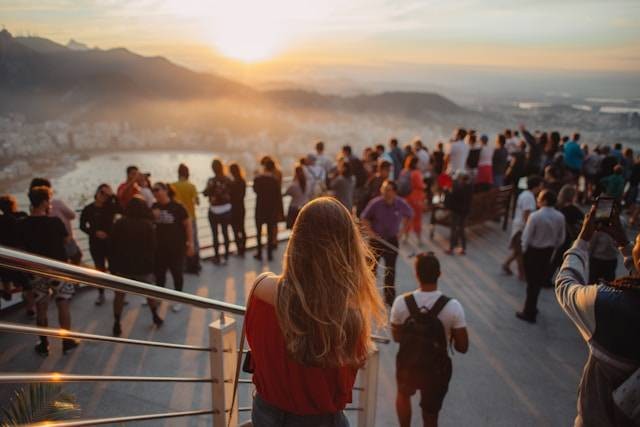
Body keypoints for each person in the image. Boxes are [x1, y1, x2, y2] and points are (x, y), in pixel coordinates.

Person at [246, 197, 386, 426]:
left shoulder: (260, 289)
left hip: (265, 414)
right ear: (347, 247)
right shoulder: (347, 316)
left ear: (296, 238)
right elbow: (344, 386)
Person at [555, 206, 640, 426]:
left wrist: (583, 239)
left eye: (638, 239)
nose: (635, 240)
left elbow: (565, 285)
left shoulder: (609, 305)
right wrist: (624, 244)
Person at [391, 252, 469, 427]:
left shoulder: (401, 302)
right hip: (436, 369)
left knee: (403, 394)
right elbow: (463, 347)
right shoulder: (453, 307)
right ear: (439, 274)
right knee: (430, 413)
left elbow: (397, 337)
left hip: (408, 363)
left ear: (416, 274)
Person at [19, 186, 78, 355]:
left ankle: (44, 344)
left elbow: (22, 248)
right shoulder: (54, 222)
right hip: (58, 269)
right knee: (63, 304)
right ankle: (66, 341)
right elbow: (67, 240)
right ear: (45, 202)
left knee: (41, 307)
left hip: (36, 270)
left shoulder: (23, 224)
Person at [110, 197, 162, 337]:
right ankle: (155, 316)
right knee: (149, 292)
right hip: (142, 266)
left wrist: (113, 266)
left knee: (119, 295)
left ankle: (117, 323)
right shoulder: (147, 225)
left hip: (123, 266)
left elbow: (112, 245)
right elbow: (153, 247)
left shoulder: (119, 223)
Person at [361, 180, 413, 306]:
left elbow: (410, 215)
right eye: (383, 189)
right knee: (371, 270)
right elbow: (364, 218)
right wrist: (371, 232)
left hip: (391, 240)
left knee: (390, 270)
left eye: (388, 189)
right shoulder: (375, 203)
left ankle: (389, 299)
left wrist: (401, 232)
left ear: (394, 192)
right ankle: (369, 296)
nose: (384, 192)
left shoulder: (400, 204)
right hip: (376, 241)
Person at [517, 189, 565, 323]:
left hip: (533, 251)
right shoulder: (560, 216)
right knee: (537, 282)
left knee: (531, 283)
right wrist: (554, 247)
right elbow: (561, 238)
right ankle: (532, 307)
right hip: (548, 252)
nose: (537, 200)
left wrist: (524, 250)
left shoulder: (535, 216)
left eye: (539, 198)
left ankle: (529, 311)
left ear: (544, 200)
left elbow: (526, 237)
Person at [151, 182, 194, 313]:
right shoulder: (154, 206)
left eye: (157, 190)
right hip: (159, 248)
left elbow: (188, 225)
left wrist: (190, 244)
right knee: (159, 275)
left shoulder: (178, 207)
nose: (155, 193)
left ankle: (179, 299)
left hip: (176, 248)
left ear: (166, 190)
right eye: (153, 191)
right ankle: (159, 297)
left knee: (177, 273)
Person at [79, 183, 120, 306]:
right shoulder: (88, 209)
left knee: (114, 268)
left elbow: (122, 209)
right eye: (102, 193)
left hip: (111, 243)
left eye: (107, 194)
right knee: (99, 269)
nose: (104, 196)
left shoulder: (111, 207)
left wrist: (113, 196)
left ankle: (119, 294)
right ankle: (101, 294)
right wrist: (94, 232)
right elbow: (82, 226)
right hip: (95, 244)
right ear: (96, 193)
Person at [30, 177, 82, 265]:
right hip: (65, 241)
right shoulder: (56, 204)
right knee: (76, 258)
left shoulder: (32, 209)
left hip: (45, 248)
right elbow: (72, 215)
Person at [503, 176, 543, 279]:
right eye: (540, 186)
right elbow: (527, 215)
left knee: (517, 250)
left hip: (519, 226)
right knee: (520, 252)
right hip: (521, 228)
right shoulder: (529, 197)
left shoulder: (526, 195)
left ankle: (506, 264)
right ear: (536, 186)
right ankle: (522, 274)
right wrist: (530, 229)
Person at [0, 195, 29, 309]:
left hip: (4, 255)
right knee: (26, 283)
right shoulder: (21, 216)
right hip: (19, 254)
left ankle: (7, 293)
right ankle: (30, 307)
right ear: (13, 205)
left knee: (6, 277)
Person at [203, 159, 233, 264]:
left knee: (215, 235)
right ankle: (226, 256)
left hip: (214, 210)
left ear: (212, 169)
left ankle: (217, 257)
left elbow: (205, 193)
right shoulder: (228, 179)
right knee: (225, 233)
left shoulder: (211, 180)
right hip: (226, 209)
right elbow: (232, 193)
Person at [253, 159, 284, 261]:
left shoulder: (258, 179)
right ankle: (270, 254)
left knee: (258, 232)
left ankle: (259, 253)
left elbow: (255, 190)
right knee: (270, 232)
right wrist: (280, 212)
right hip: (271, 210)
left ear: (264, 167)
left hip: (260, 209)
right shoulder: (275, 180)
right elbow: (278, 197)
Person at [172, 163, 200, 273]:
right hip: (191, 217)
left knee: (181, 241)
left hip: (178, 219)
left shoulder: (173, 186)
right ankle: (195, 264)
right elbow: (197, 202)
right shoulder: (191, 186)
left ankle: (183, 265)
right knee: (194, 241)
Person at [444, 170, 473, 255]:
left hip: (456, 211)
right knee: (462, 230)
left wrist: (446, 191)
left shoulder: (458, 188)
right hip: (465, 211)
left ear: (460, 178)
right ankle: (463, 248)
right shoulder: (470, 187)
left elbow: (451, 198)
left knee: (454, 229)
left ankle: (451, 249)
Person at [402, 155, 426, 245]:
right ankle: (419, 239)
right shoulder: (416, 173)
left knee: (407, 218)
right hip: (416, 198)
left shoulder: (404, 172)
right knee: (417, 219)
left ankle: (405, 237)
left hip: (406, 198)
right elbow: (421, 185)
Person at [229, 163, 247, 256]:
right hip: (242, 207)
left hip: (233, 209)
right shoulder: (243, 181)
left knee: (235, 230)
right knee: (242, 228)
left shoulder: (232, 183)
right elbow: (242, 195)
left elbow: (230, 196)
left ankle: (239, 249)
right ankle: (243, 248)